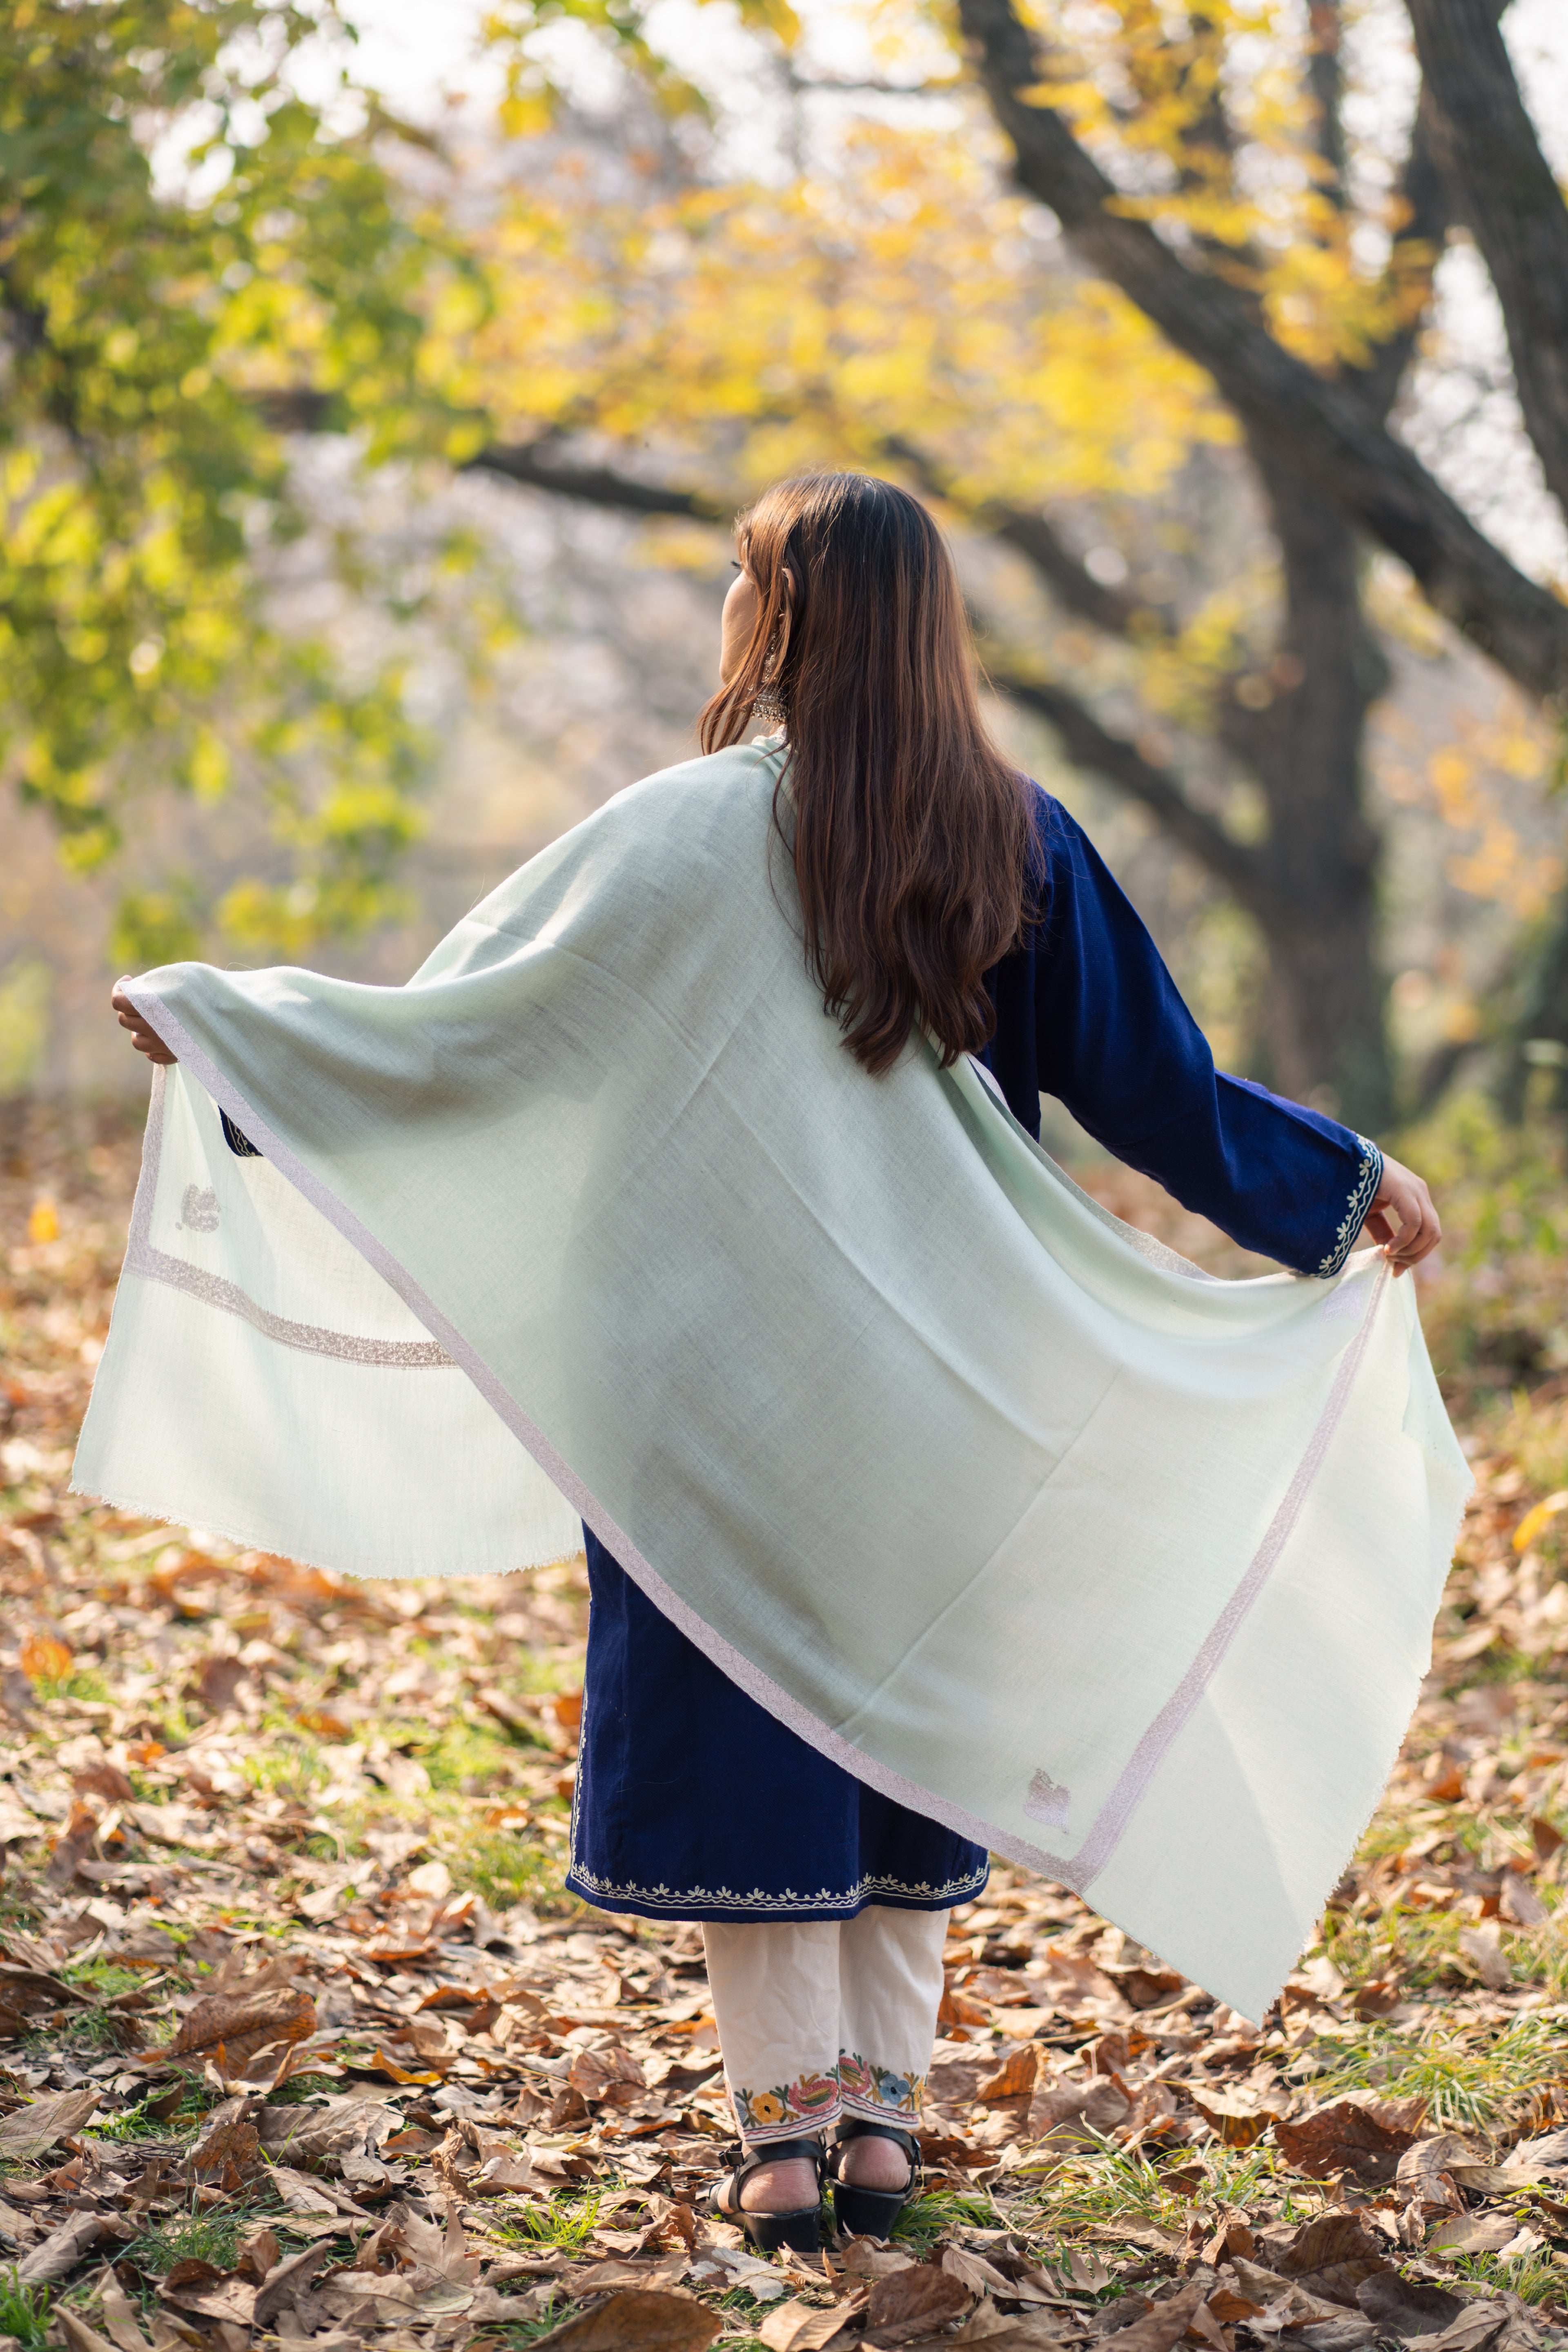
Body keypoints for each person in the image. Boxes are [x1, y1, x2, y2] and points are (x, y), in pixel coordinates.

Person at [114, 471, 1441, 2254]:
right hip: (953, 1383)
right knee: (904, 1720)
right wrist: (1343, 1187)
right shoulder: (1015, 839)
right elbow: (1165, 1099)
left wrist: (232, 1031)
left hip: (709, 1379)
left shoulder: (672, 835)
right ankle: (883, 2128)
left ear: (783, 613)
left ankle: (783, 2141)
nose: (734, 616)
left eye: (747, 586)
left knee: (759, 1719)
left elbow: (468, 1037)